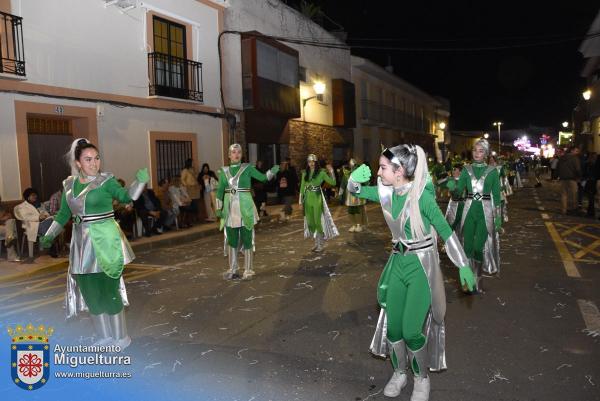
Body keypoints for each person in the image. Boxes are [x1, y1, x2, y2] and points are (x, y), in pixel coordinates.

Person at [347, 144, 475, 401]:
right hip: (397, 264)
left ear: (400, 171)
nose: (378, 172)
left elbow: (445, 231)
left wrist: (463, 264)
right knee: (393, 329)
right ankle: (399, 372)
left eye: (383, 167)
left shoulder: (422, 198)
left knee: (410, 331)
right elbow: (356, 192)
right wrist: (351, 180)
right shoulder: (386, 194)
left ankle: (421, 378)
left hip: (421, 268)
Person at [39, 138, 149, 349]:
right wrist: (50, 234)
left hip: (105, 241)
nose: (94, 163)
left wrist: (139, 182)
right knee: (90, 292)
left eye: (97, 158)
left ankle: (121, 337)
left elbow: (126, 197)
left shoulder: (106, 181)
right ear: (78, 163)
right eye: (88, 159)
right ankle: (105, 336)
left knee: (109, 290)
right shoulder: (69, 185)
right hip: (81, 244)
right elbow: (63, 215)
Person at [215, 144, 279, 280]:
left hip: (245, 207)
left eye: (238, 152)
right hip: (230, 208)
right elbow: (220, 191)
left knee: (247, 238)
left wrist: (272, 172)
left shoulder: (248, 168)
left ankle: (248, 270)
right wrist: (218, 208)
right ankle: (233, 268)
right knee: (232, 239)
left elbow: (263, 178)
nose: (236, 154)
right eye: (233, 152)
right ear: (229, 155)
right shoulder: (223, 171)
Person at [447, 139, 502, 292]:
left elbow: (497, 196)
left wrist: (498, 218)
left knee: (478, 247)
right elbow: (459, 192)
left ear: (485, 153)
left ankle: (478, 278)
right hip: (469, 210)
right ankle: (468, 279)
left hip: (486, 212)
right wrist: (453, 187)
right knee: (467, 246)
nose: (477, 153)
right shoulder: (466, 169)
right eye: (474, 150)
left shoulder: (492, 172)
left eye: (480, 151)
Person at [300, 154, 338, 252]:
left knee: (317, 221)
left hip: (317, 199)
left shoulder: (321, 173)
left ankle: (320, 244)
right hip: (307, 199)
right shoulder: (305, 173)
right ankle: (316, 243)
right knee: (310, 222)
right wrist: (300, 202)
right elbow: (302, 188)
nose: (311, 163)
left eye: (313, 161)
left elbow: (333, 183)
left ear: (316, 163)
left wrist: (331, 172)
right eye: (309, 161)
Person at [13, 188, 53, 259]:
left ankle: (48, 245)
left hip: (42, 223)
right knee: (51, 225)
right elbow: (25, 217)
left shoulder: (38, 204)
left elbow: (45, 212)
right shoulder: (22, 207)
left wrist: (45, 215)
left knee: (53, 221)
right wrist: (38, 217)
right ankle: (49, 247)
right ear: (28, 197)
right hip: (32, 225)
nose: (35, 197)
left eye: (35, 195)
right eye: (33, 195)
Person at [338, 158, 368, 232]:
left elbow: (366, 182)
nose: (352, 167)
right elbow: (342, 184)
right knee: (350, 210)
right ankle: (354, 224)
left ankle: (359, 225)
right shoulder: (346, 174)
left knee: (358, 210)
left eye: (353, 165)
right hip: (349, 196)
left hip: (357, 195)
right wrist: (340, 194)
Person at [557, 146, 581, 215]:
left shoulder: (562, 158)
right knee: (574, 194)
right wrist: (579, 177)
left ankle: (564, 210)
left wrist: (557, 176)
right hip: (572, 178)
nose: (577, 152)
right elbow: (578, 169)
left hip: (563, 178)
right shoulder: (575, 158)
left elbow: (558, 168)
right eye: (576, 151)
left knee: (564, 194)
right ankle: (574, 209)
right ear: (572, 151)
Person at [181, 158, 200, 223]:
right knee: (189, 205)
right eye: (192, 162)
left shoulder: (193, 170)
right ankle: (187, 220)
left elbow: (196, 178)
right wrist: (186, 185)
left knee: (195, 205)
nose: (193, 163)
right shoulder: (185, 171)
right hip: (189, 190)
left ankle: (193, 219)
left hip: (195, 190)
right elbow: (182, 179)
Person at [0, 196, 19, 262]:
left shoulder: (3, 207)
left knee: (10, 221)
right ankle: (12, 256)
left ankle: (9, 238)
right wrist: (2, 219)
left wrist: (6, 218)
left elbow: (10, 216)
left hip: (5, 227)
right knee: (10, 233)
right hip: (2, 227)